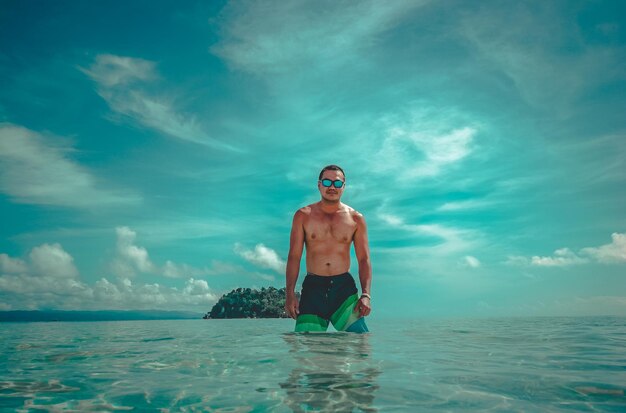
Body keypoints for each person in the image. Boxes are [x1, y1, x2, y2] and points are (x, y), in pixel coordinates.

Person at [285, 165, 371, 333]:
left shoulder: (356, 219)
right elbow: (294, 256)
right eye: (327, 182)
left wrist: (366, 295)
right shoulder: (303, 215)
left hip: (343, 290)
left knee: (361, 347)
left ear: (344, 186)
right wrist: (290, 294)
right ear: (319, 185)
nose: (332, 187)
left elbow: (364, 259)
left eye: (337, 183)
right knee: (309, 355)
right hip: (313, 290)